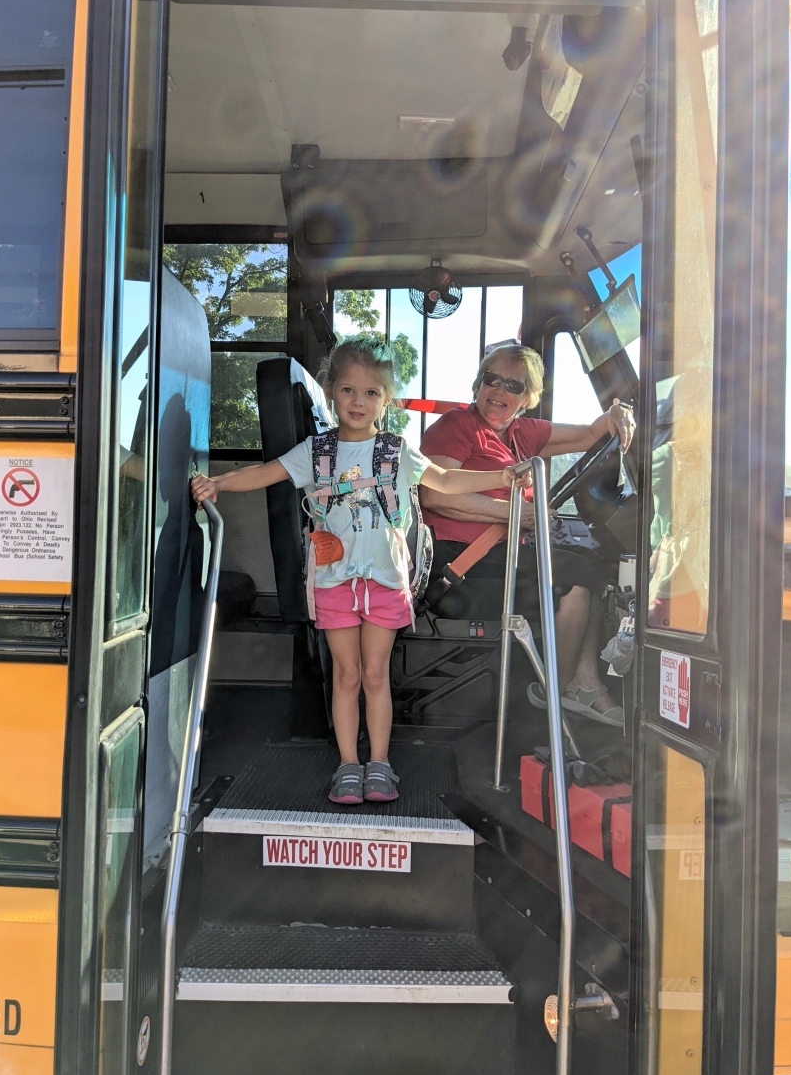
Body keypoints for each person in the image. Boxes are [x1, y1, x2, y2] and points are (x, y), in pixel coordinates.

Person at [190, 338, 530, 807]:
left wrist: (502, 476)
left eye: (371, 393)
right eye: (348, 390)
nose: (358, 401)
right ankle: (349, 763)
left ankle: (381, 763)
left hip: (385, 583)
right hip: (334, 583)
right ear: (331, 392)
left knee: (375, 675)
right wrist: (219, 484)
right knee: (346, 675)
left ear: (386, 400)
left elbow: (447, 480)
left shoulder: (397, 451)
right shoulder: (316, 451)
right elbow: (266, 473)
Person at [419, 341, 634, 726]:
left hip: (500, 558)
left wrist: (617, 412)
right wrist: (517, 513)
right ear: (478, 384)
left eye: (513, 386)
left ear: (528, 397)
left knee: (592, 567)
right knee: (576, 575)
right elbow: (434, 494)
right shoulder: (457, 426)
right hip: (458, 567)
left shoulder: (522, 434)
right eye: (492, 380)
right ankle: (557, 691)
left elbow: (588, 434)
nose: (499, 391)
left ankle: (584, 683)